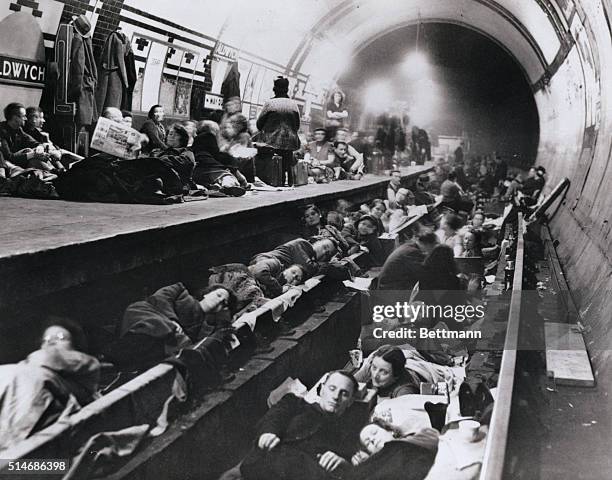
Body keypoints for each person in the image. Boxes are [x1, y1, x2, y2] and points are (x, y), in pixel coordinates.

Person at [240, 370, 362, 480]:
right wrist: (268, 433)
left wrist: (344, 464)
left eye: (344, 393)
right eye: (332, 388)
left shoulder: (348, 435)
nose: (336, 397)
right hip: (262, 469)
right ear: (322, 389)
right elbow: (274, 417)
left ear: (350, 401)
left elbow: (352, 467)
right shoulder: (294, 403)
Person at [0, 319, 100, 451]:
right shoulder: (27, 365)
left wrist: (36, 357)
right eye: (46, 340)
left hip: (31, 391)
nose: (51, 342)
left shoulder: (87, 364)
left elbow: (52, 358)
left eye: (60, 338)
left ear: (75, 345)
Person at [105, 283, 237, 369]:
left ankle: (114, 359)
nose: (219, 301)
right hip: (147, 312)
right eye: (218, 295)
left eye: (223, 303)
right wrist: (172, 320)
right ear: (207, 293)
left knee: (178, 345)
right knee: (169, 332)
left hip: (165, 335)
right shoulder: (180, 290)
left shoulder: (203, 325)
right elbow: (160, 298)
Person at [347, 420, 438, 480]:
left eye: (374, 433)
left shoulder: (417, 438)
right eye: (367, 443)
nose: (372, 439)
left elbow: (436, 439)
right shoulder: (372, 464)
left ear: (390, 430)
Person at [256, 76, 300, 185]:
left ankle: (268, 179)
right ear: (287, 89)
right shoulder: (293, 104)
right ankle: (287, 179)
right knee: (287, 157)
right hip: (290, 143)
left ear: (274, 89)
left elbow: (259, 124)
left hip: (271, 142)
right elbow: (297, 125)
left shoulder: (269, 103)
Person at [191, 124, 245, 196]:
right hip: (211, 167)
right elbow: (219, 156)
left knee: (205, 181)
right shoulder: (210, 138)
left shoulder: (195, 143)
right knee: (226, 177)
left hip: (195, 170)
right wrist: (243, 181)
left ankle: (212, 186)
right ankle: (227, 186)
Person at [354, 345, 421, 398]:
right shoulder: (371, 367)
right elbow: (351, 383)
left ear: (396, 376)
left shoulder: (405, 391)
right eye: (374, 367)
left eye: (383, 372)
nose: (375, 375)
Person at [0, 102, 42, 170]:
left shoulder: (19, 129)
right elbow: (8, 157)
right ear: (14, 117)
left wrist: (39, 148)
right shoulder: (1, 131)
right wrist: (33, 154)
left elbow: (33, 142)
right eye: (23, 116)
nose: (25, 118)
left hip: (16, 161)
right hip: (8, 165)